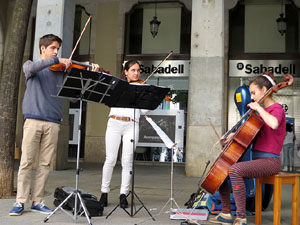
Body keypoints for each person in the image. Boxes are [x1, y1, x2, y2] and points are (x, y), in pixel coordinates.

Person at [9, 34, 100, 216]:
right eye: (53, 48)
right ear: (43, 48)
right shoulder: (30, 66)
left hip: (53, 123)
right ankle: (20, 201)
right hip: (33, 121)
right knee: (26, 162)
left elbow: (74, 96)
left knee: (44, 164)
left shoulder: (61, 72)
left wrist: (91, 75)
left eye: (58, 49)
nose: (56, 52)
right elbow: (34, 68)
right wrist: (56, 60)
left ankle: (37, 201)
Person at [210, 72, 286, 225]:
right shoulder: (259, 115)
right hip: (258, 162)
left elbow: (274, 124)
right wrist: (233, 136)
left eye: (253, 93)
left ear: (264, 90)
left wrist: (259, 108)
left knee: (235, 170)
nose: (251, 97)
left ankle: (241, 216)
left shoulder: (276, 109)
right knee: (222, 171)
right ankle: (225, 214)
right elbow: (249, 136)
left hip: (271, 162)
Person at [99, 60, 148, 209]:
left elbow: (143, 111)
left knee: (127, 161)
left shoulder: (141, 87)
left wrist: (148, 100)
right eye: (133, 70)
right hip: (114, 123)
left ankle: (123, 194)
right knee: (110, 159)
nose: (136, 73)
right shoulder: (117, 86)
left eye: (138, 70)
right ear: (125, 72)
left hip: (131, 124)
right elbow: (109, 100)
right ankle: (104, 193)